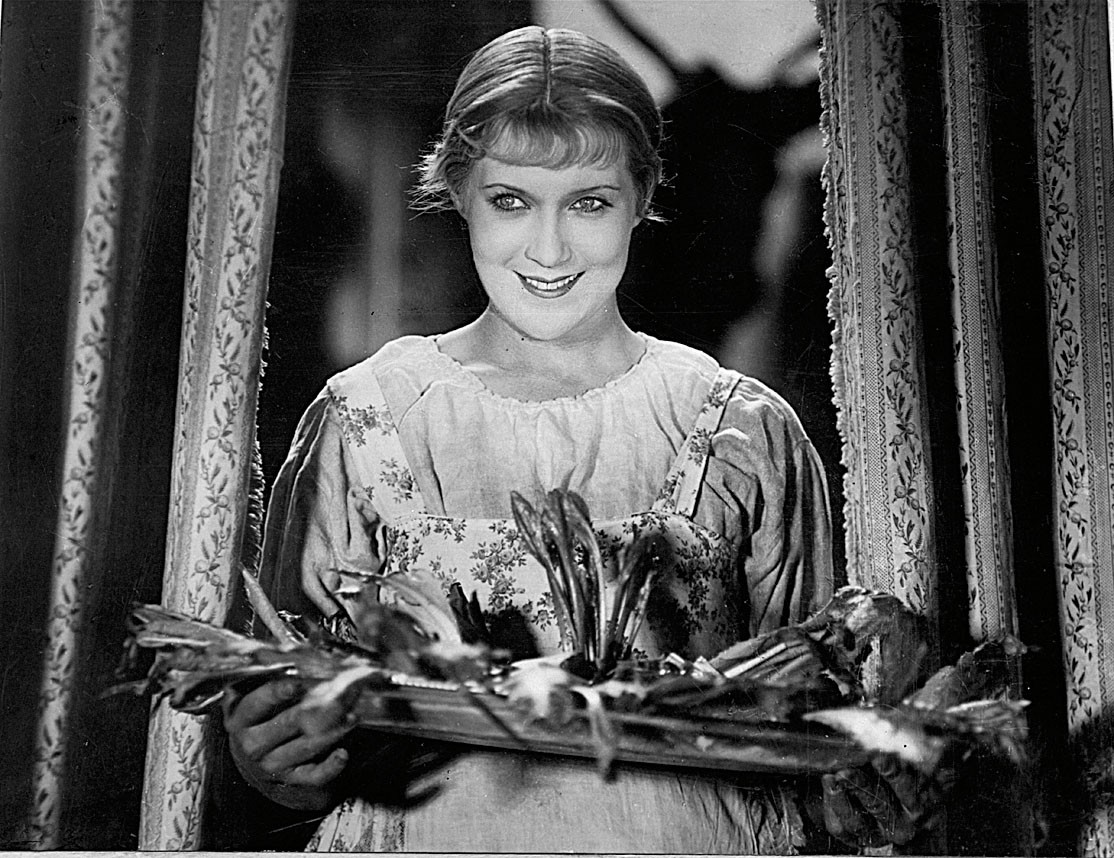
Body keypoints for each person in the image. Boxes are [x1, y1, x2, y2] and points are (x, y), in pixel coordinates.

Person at [223, 25, 856, 853]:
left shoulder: (744, 431)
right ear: (458, 191)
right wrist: (271, 757)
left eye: (589, 202)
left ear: (643, 195)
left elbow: (814, 734)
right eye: (510, 201)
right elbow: (291, 729)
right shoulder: (367, 417)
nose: (549, 250)